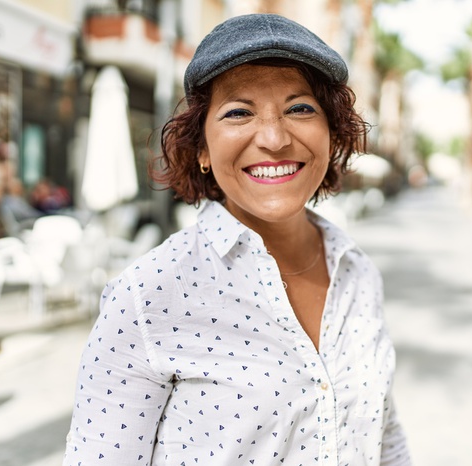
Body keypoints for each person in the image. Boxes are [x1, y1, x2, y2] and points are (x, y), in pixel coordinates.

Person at [64, 13, 411, 465]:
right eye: (239, 112)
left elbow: (385, 438)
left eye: (300, 108)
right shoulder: (147, 297)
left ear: (332, 133)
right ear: (203, 149)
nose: (273, 138)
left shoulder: (358, 272)